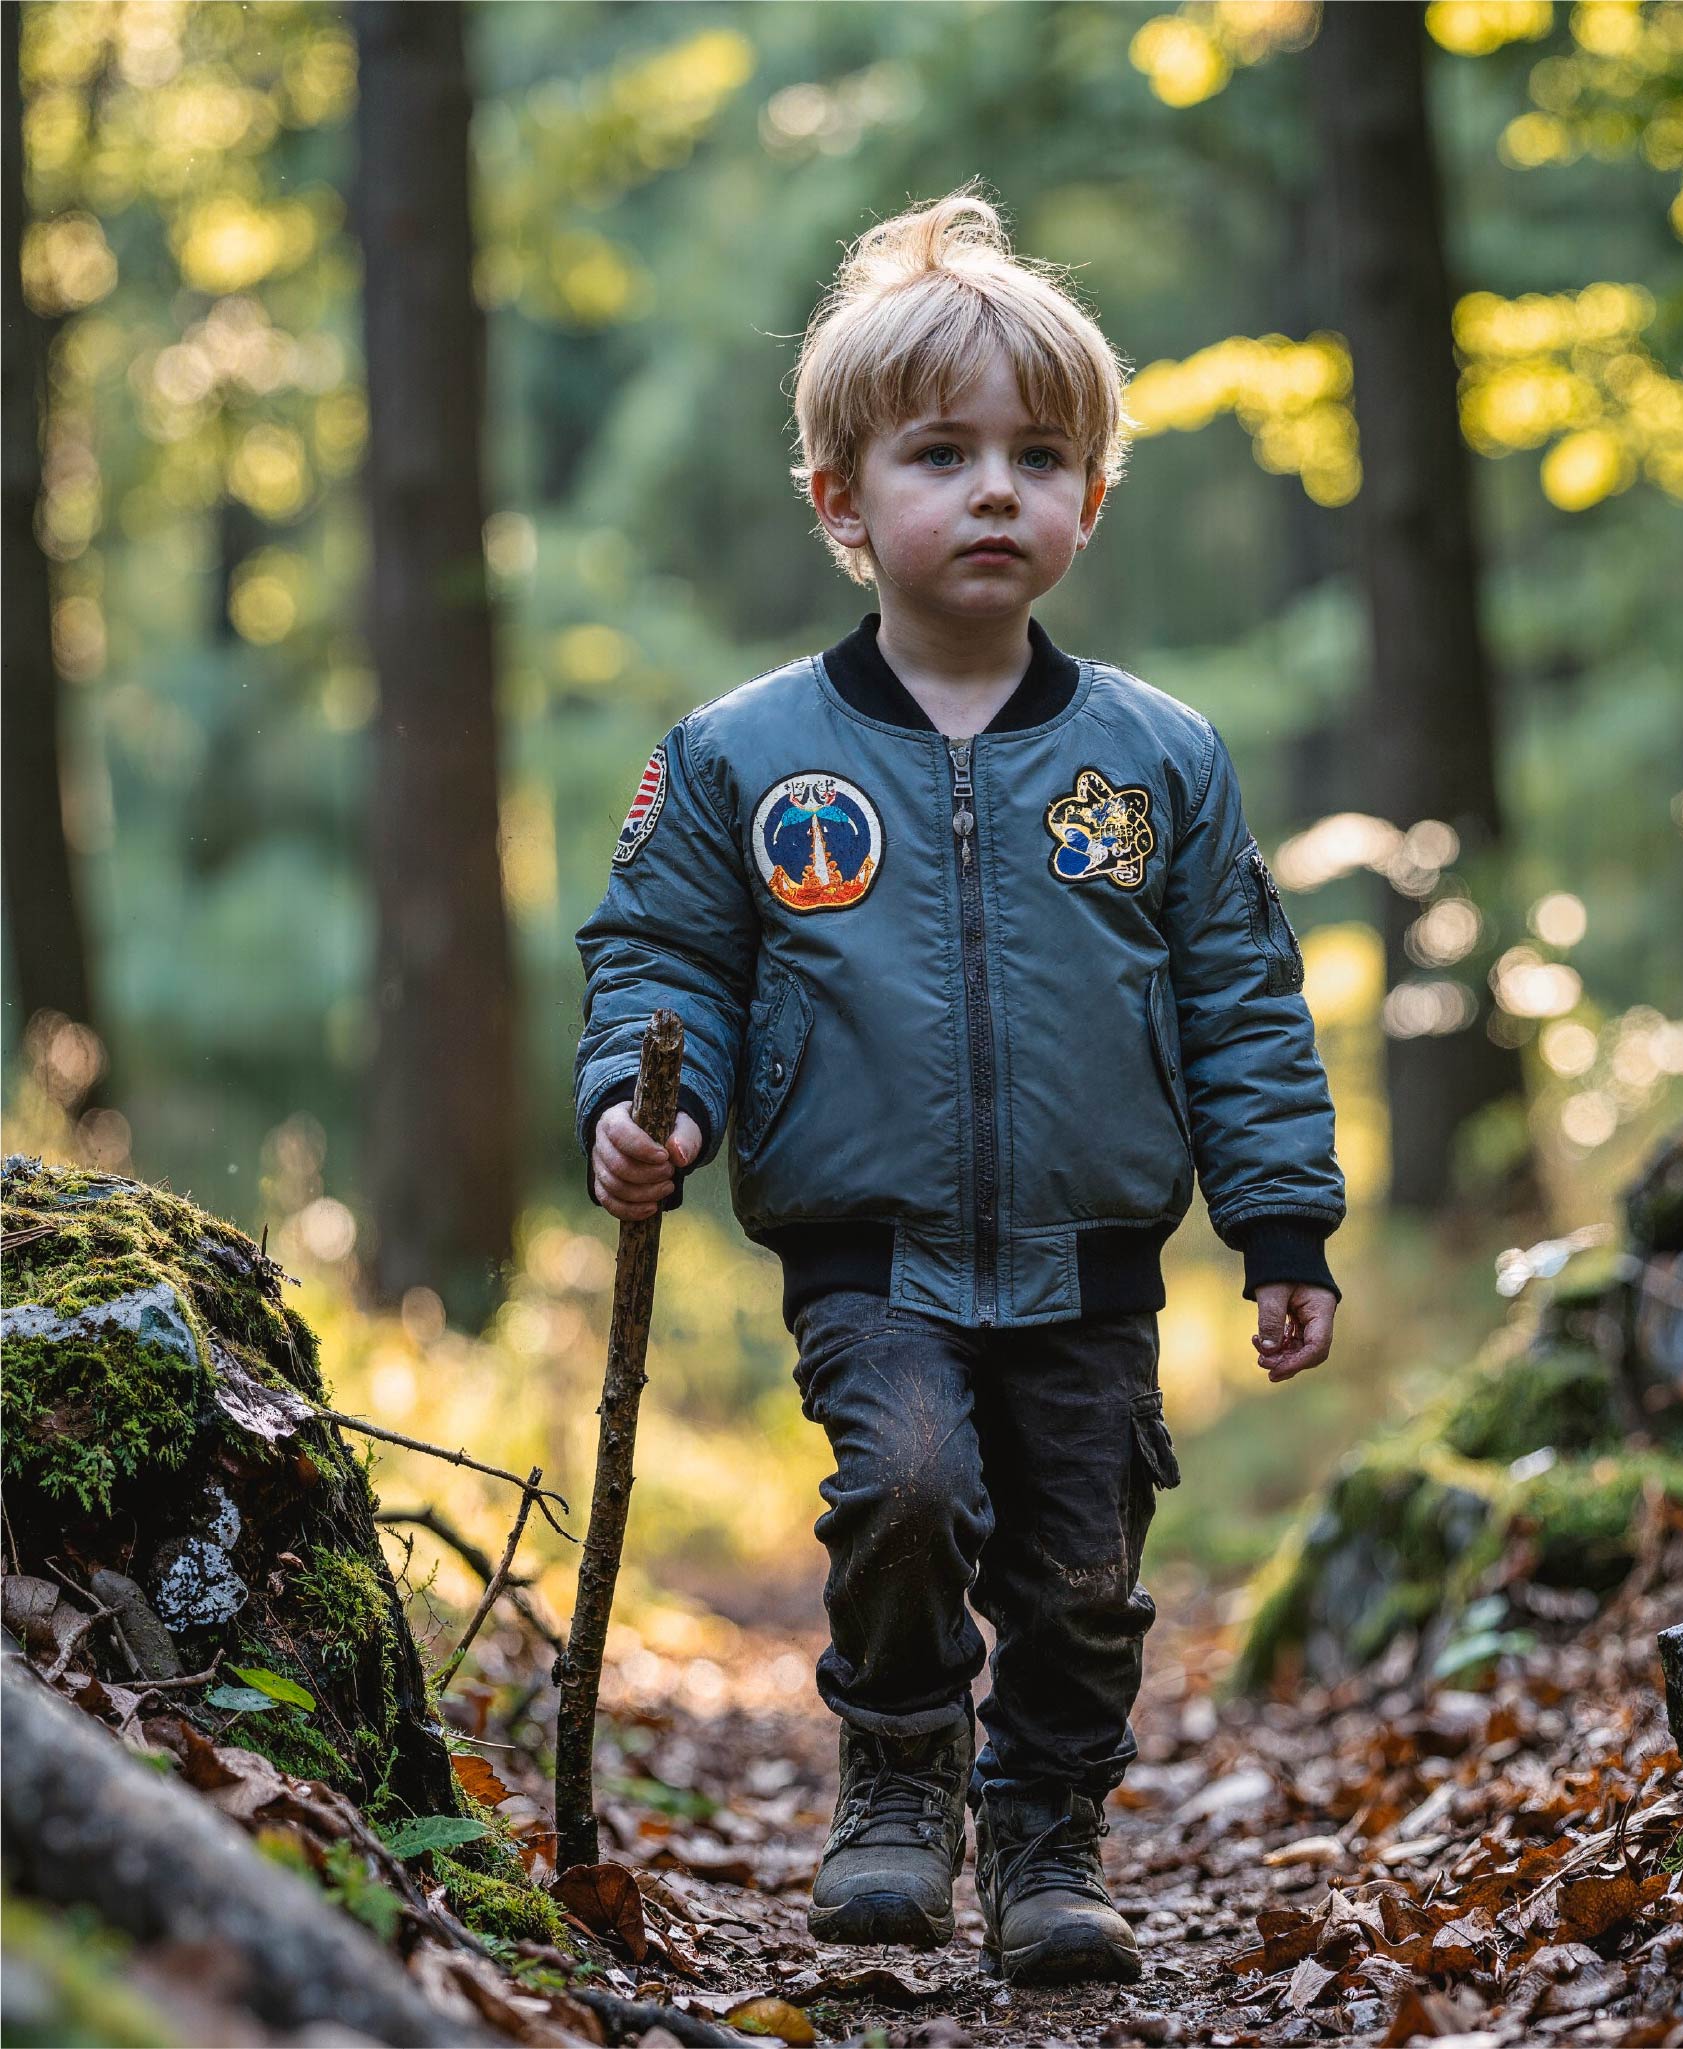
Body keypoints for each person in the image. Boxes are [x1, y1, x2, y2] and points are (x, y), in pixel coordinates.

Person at [573, 186, 1344, 1987]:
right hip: (870, 1242)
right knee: (906, 1488)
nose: (995, 490)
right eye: (942, 453)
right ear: (841, 501)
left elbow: (1241, 1000)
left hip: (1091, 1249)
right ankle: (900, 1777)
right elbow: (663, 956)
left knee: (1083, 1569)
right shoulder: (743, 756)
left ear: (1092, 497)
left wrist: (1281, 1224)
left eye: (1038, 456)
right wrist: (642, 1099)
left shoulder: (1156, 758)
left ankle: (1050, 1830)